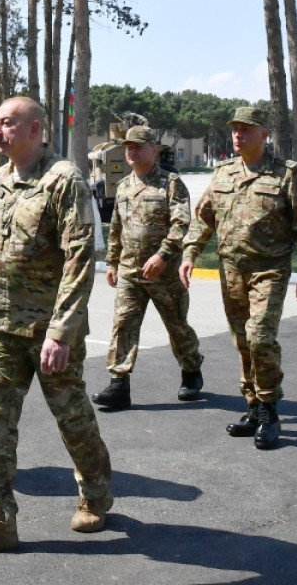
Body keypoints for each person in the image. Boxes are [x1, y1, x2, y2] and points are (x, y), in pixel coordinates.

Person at [0, 96, 112, 557]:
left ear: (35, 129)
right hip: (2, 329)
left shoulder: (65, 180)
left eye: (7, 124)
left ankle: (96, 494)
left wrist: (61, 331)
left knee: (72, 416)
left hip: (49, 331)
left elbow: (81, 260)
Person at [179, 106, 297, 450]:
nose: (238, 135)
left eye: (246, 129)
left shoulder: (286, 174)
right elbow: (203, 218)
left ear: (264, 134)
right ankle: (254, 406)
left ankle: (270, 407)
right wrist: (189, 254)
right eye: (235, 129)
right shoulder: (224, 173)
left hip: (269, 269)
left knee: (259, 336)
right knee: (243, 342)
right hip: (231, 271)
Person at [93, 125, 204, 410]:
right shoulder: (124, 186)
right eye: (128, 146)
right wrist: (112, 262)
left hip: (164, 274)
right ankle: (119, 384)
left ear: (153, 150)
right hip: (130, 272)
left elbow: (181, 224)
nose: (132, 151)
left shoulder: (170, 183)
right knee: (123, 325)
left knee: (177, 327)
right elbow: (116, 228)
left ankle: (191, 371)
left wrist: (164, 256)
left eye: (138, 146)